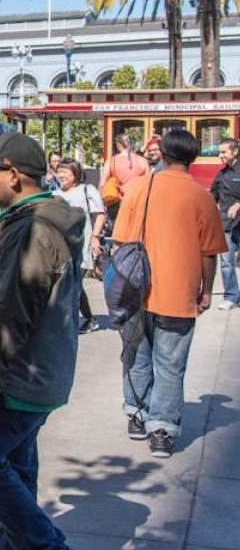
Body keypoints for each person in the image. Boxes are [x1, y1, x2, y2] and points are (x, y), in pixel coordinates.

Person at [0, 132, 84, 550]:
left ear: (13, 174)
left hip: (16, 381)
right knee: (16, 469)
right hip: (34, 377)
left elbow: (9, 319)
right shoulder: (36, 221)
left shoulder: (33, 229)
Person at [114, 129, 225, 458]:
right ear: (192, 158)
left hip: (136, 289)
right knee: (171, 364)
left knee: (136, 354)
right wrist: (206, 291)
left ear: (161, 154)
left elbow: (120, 241)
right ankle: (161, 429)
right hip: (180, 293)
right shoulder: (202, 197)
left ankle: (136, 413)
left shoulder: (139, 189)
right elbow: (209, 253)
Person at [55, 158, 105, 333]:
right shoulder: (56, 194)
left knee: (73, 285)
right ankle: (90, 319)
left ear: (75, 173)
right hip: (62, 248)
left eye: (65, 171)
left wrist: (95, 237)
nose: (61, 175)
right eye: (59, 171)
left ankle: (67, 324)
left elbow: (100, 214)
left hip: (82, 246)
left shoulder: (86, 190)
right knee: (74, 284)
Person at [210, 137, 240, 311]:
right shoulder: (221, 175)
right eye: (219, 152)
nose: (219, 155)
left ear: (235, 152)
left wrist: (238, 204)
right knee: (226, 262)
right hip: (227, 225)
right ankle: (231, 296)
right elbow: (211, 197)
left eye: (223, 152)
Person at [99, 133, 148, 215]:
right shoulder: (142, 161)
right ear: (131, 143)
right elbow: (148, 183)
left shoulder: (111, 161)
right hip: (138, 203)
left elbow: (102, 184)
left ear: (119, 145)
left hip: (117, 204)